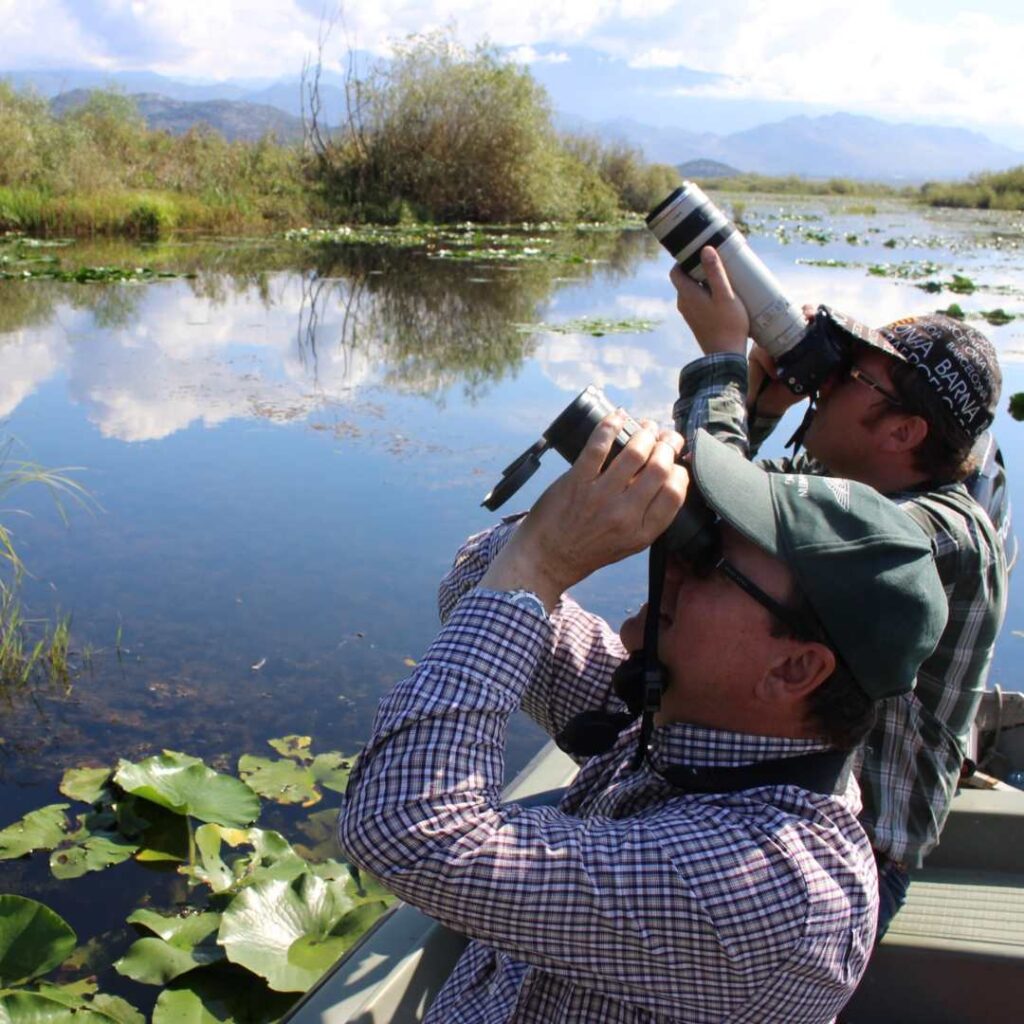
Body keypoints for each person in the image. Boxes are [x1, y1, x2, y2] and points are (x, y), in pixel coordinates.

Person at [338, 412, 947, 1023]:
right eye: (702, 533)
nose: (672, 560)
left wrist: (545, 562)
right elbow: (476, 583)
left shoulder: (774, 887)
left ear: (793, 670)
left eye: (708, 559)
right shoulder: (703, 727)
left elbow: (404, 824)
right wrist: (599, 495)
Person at [669, 246, 1008, 936]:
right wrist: (759, 402)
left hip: (845, 863)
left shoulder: (927, 537)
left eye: (853, 376)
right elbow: (741, 500)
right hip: (774, 800)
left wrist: (721, 362)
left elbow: (720, 524)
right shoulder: (856, 488)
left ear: (904, 432)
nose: (826, 382)